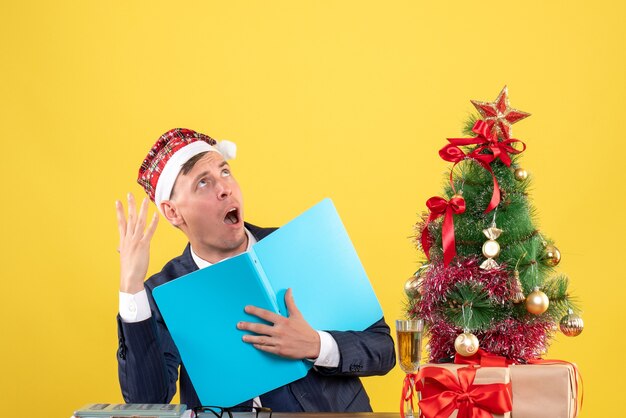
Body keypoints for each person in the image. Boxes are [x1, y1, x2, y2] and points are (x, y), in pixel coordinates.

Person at [115, 128, 395, 412]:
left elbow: (383, 349)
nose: (224, 188)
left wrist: (316, 345)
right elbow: (147, 402)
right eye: (202, 183)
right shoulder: (162, 294)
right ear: (173, 212)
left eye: (225, 172)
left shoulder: (302, 245)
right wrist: (131, 287)